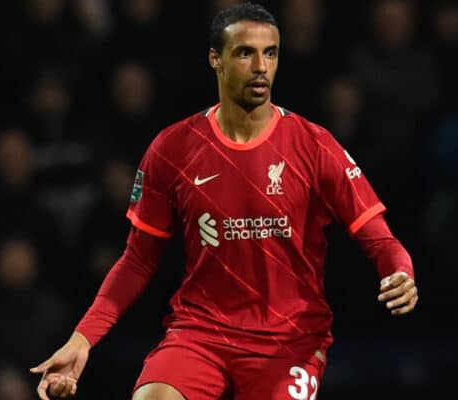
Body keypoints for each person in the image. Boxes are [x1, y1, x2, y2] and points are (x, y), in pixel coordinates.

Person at [30, 3, 418, 399]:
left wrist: (400, 270)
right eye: (245, 52)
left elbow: (378, 238)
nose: (261, 66)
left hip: (289, 342)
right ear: (215, 59)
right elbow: (138, 259)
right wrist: (82, 339)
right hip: (200, 334)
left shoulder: (314, 145)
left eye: (271, 53)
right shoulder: (173, 149)